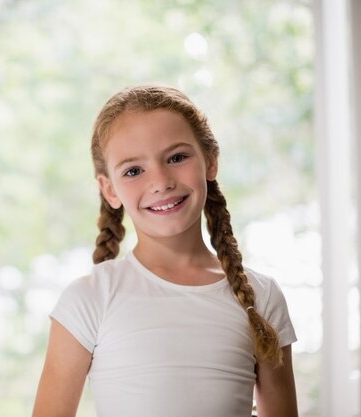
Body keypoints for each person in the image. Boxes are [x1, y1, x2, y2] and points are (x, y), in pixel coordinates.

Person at [32, 85, 298, 417]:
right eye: (133, 170)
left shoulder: (261, 297)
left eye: (176, 157)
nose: (160, 181)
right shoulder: (88, 300)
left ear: (211, 161)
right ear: (109, 189)